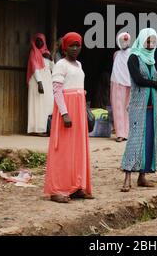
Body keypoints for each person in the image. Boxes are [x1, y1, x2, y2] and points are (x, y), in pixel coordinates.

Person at [44, 32, 93, 203]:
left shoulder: (79, 64)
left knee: (77, 149)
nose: (75, 48)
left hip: (78, 108)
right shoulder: (60, 65)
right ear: (65, 47)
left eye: (77, 45)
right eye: (71, 45)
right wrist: (64, 113)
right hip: (67, 109)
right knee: (63, 150)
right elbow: (57, 90)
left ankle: (76, 186)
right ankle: (57, 190)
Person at [120, 28, 157, 192]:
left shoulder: (151, 60)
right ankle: (127, 177)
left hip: (153, 107)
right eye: (148, 41)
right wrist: (155, 84)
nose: (150, 45)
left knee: (150, 140)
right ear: (141, 40)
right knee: (135, 141)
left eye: (153, 42)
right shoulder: (133, 58)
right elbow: (137, 79)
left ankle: (142, 177)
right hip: (138, 106)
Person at [27, 33, 54, 136]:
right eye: (37, 40)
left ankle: (44, 127)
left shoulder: (47, 53)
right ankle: (36, 129)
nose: (39, 42)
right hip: (36, 82)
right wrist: (39, 83)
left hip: (47, 81)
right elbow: (34, 68)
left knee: (47, 105)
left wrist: (51, 58)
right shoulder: (33, 53)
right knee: (37, 105)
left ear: (44, 42)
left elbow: (53, 68)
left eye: (41, 40)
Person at [110, 32, 131, 142]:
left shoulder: (134, 53)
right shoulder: (116, 54)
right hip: (117, 82)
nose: (124, 43)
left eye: (126, 40)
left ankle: (127, 132)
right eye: (122, 41)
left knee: (128, 108)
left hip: (130, 83)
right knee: (118, 108)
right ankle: (120, 133)